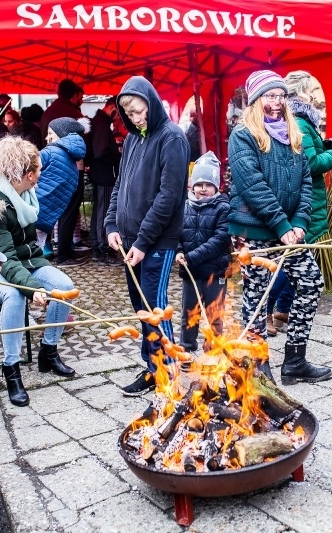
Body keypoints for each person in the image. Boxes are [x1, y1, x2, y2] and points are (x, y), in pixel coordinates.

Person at [228, 69, 329, 385]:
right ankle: (257, 369)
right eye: (270, 95)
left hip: (288, 231)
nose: (277, 101)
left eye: (281, 95)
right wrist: (282, 224)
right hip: (257, 232)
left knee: (311, 281)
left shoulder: (293, 133)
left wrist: (299, 222)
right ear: (256, 100)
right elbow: (252, 185)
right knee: (257, 297)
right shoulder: (243, 135)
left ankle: (295, 361)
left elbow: (304, 184)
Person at [0, 137, 79, 407]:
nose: (41, 174)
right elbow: (5, 260)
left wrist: (41, 281)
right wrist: (33, 288)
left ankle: (48, 352)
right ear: (27, 174)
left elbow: (27, 249)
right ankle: (11, 367)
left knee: (63, 285)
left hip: (26, 261)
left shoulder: (25, 194)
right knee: (14, 296)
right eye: (38, 170)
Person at [105, 76, 189, 396]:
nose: (138, 119)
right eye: (131, 115)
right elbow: (119, 186)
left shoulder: (172, 138)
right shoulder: (131, 140)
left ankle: (169, 372)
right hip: (129, 239)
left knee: (155, 306)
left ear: (152, 103)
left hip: (157, 240)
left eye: (141, 112)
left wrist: (142, 241)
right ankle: (153, 367)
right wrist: (111, 225)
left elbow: (168, 197)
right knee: (141, 305)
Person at [266, 70, 332, 337]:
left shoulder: (300, 119)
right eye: (311, 90)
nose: (314, 96)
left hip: (307, 198)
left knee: (298, 258)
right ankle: (266, 311)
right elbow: (308, 163)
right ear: (300, 92)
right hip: (302, 200)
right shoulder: (299, 120)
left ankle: (282, 309)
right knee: (293, 260)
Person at [176, 151, 231, 353]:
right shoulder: (183, 207)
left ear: (216, 186)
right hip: (191, 273)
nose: (203, 189)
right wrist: (179, 251)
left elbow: (219, 240)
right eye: (199, 184)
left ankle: (214, 351)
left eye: (208, 184)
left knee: (215, 314)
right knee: (189, 313)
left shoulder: (223, 208)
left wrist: (190, 257)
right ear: (192, 185)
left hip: (215, 273)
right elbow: (176, 235)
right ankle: (187, 349)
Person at [34, 117, 87, 263]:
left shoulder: (50, 152)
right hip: (45, 217)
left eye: (51, 134)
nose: (47, 138)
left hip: (35, 214)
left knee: (26, 257)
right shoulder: (72, 156)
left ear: (62, 134)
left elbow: (18, 165)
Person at [89, 97, 123, 265]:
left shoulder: (100, 123)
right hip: (103, 175)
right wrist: (117, 157)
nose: (118, 118)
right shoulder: (101, 124)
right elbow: (100, 152)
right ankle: (102, 249)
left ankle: (98, 245)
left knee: (99, 210)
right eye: (118, 113)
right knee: (103, 211)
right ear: (112, 107)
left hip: (101, 174)